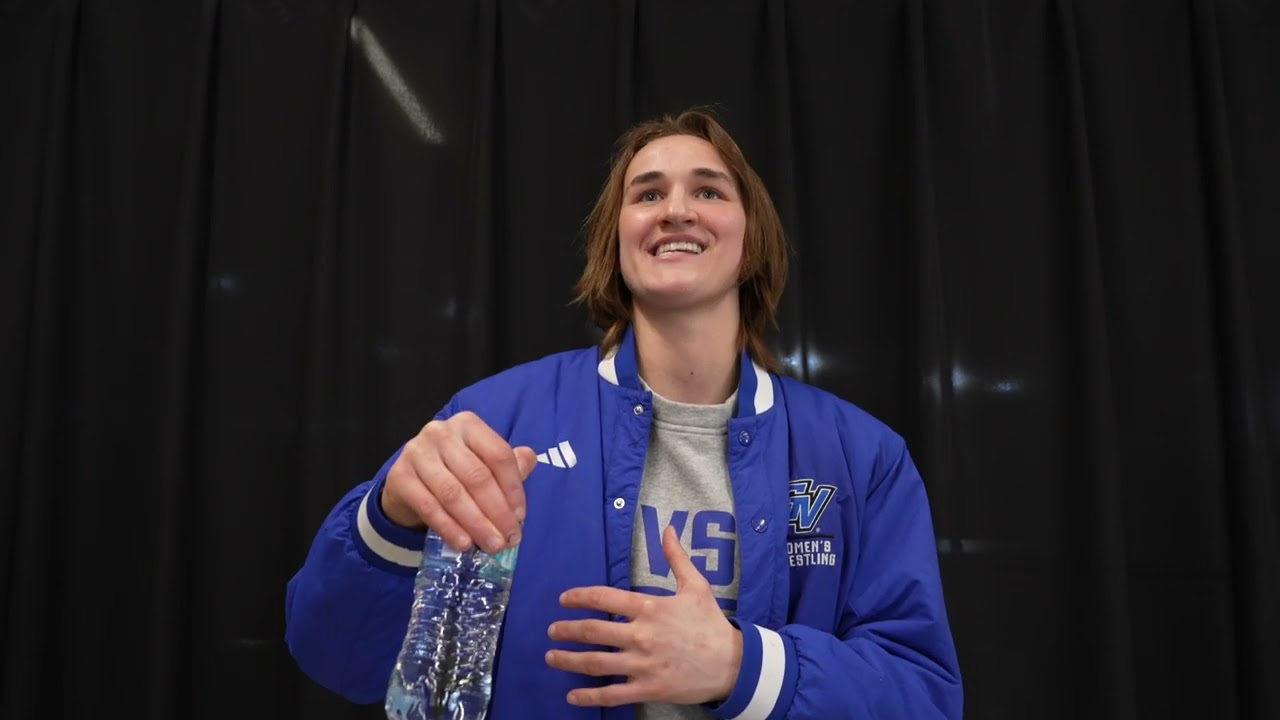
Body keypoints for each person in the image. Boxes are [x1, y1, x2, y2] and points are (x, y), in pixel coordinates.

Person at [284, 108, 963, 719]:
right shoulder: (494, 421)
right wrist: (390, 520)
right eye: (647, 194)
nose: (676, 210)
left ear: (752, 239)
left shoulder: (861, 457)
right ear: (616, 241)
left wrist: (741, 667)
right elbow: (336, 658)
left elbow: (924, 696)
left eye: (708, 191)